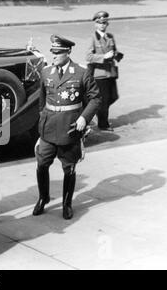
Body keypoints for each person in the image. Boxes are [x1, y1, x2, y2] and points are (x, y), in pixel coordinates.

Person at [33, 35, 101, 220]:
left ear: (68, 52)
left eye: (57, 52)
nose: (53, 56)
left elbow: (95, 98)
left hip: (70, 129)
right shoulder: (46, 72)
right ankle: (43, 197)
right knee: (41, 165)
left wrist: (84, 119)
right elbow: (41, 101)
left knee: (69, 168)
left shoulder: (81, 72)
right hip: (48, 129)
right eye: (52, 52)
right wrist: (43, 122)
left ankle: (66, 203)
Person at [86, 11, 123, 132]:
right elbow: (88, 57)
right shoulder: (92, 38)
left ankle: (98, 113)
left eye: (105, 23)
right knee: (104, 100)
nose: (103, 25)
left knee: (113, 97)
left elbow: (114, 50)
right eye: (100, 23)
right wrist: (103, 57)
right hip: (99, 74)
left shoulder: (110, 37)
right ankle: (103, 124)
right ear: (96, 24)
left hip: (110, 72)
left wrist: (116, 55)